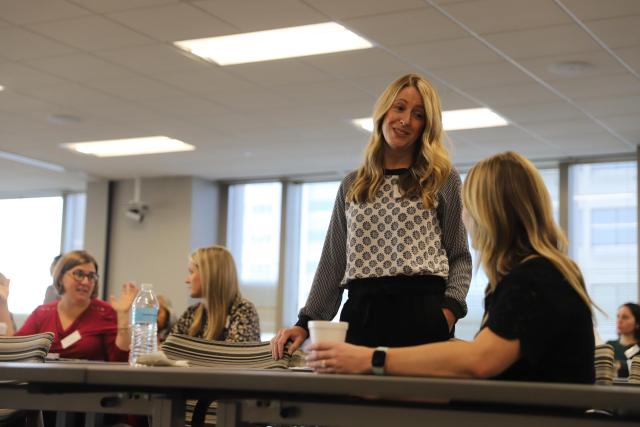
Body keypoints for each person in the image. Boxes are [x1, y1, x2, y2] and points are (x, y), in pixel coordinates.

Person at [306, 151, 596, 384]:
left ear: (489, 213)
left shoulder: (535, 279)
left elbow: (480, 361)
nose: (465, 217)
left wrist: (370, 360)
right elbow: (479, 353)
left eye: (468, 206)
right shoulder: (538, 274)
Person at [272, 73, 472, 359]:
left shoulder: (442, 179)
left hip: (422, 311)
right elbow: (333, 260)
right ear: (384, 112)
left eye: (418, 115)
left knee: (417, 403)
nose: (405, 120)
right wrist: (304, 323)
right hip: (362, 313)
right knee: (357, 400)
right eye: (399, 108)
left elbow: (460, 256)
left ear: (426, 126)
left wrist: (448, 312)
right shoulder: (353, 184)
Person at [0, 250, 138, 361]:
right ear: (60, 277)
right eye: (79, 274)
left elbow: (120, 359)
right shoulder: (43, 313)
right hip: (43, 388)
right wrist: (2, 303)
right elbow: (15, 351)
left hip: (91, 391)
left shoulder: (105, 312)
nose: (85, 281)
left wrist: (123, 315)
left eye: (91, 276)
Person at [171, 246, 260, 342]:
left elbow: (234, 355)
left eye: (191, 272)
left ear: (208, 276)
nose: (187, 280)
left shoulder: (244, 311)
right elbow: (169, 348)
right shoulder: (192, 312)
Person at [607, 302, 640, 377]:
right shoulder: (609, 345)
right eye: (618, 316)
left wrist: (618, 365)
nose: (619, 321)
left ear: (637, 323)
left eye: (625, 317)